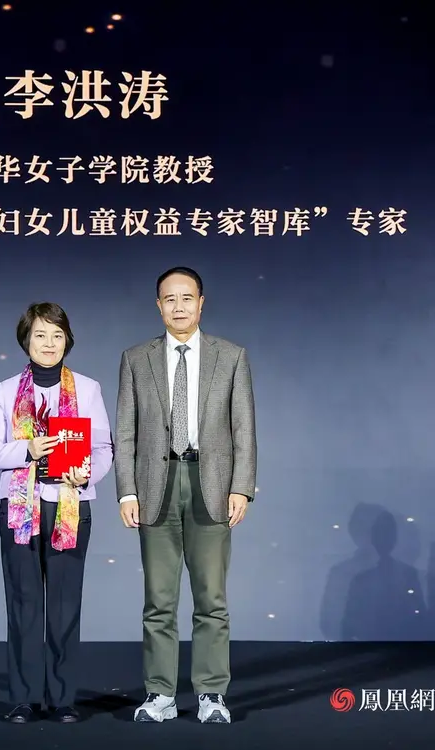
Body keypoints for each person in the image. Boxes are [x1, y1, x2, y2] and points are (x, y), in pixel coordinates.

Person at [115, 266, 257, 724]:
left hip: (210, 483)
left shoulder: (230, 356)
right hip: (154, 487)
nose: (179, 307)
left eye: (187, 298)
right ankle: (159, 694)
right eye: (169, 299)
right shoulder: (135, 359)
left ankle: (212, 694)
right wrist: (126, 491)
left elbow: (244, 429)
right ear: (159, 306)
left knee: (211, 599)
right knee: (158, 601)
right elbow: (126, 431)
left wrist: (241, 487)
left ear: (201, 303)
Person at [0, 302, 114, 724]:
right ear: (26, 340)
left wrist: (86, 472)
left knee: (64, 606)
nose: (49, 343)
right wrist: (27, 449)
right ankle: (22, 698)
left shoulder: (87, 389)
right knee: (24, 604)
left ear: (67, 340)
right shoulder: (6, 391)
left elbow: (103, 449)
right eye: (40, 335)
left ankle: (62, 698)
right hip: (20, 509)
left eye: (57, 335)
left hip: (70, 506)